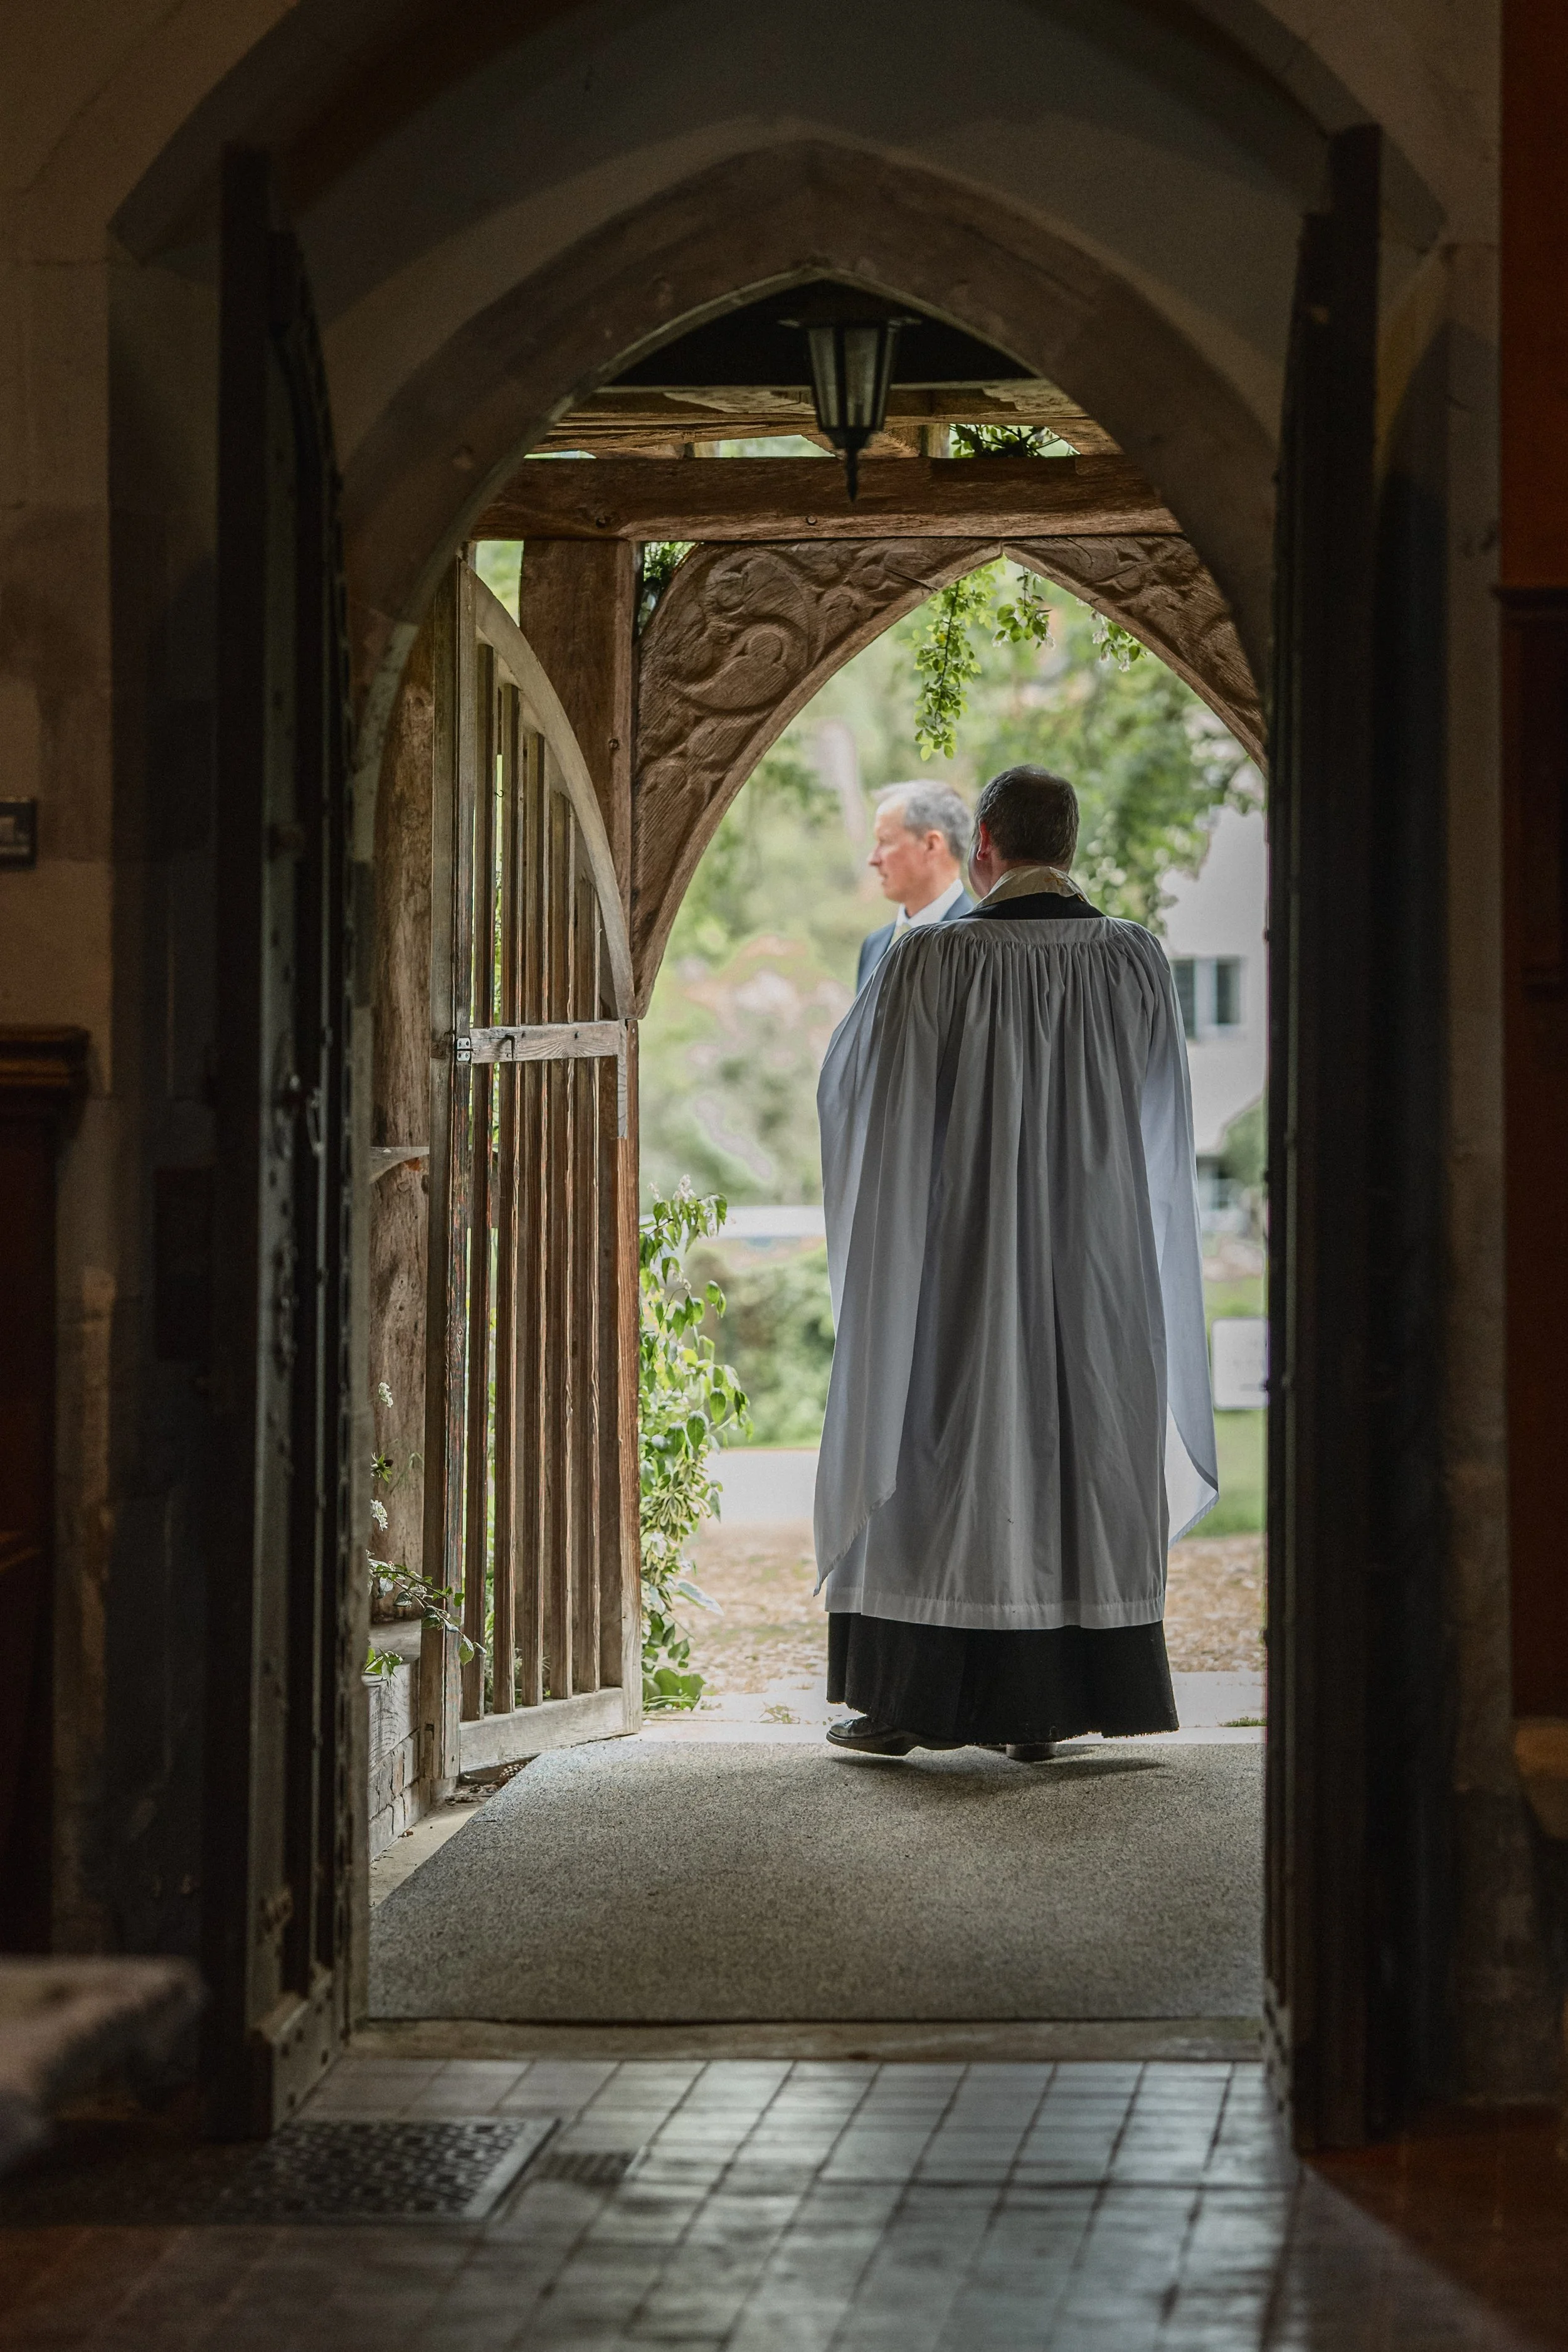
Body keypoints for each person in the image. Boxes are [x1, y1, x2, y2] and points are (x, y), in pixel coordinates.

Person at [814, 763, 1217, 1761]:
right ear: (1067, 844)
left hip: (961, 1254)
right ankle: (1051, 1703)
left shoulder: (927, 964)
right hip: (1097, 1258)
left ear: (982, 843)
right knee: (1084, 1440)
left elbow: (864, 1108)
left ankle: (915, 1697)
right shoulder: (1134, 961)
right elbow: (1164, 1121)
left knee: (946, 1442)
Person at [857, 783, 975, 989]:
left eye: (885, 841)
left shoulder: (983, 945)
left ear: (931, 845)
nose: (873, 859)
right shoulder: (873, 946)